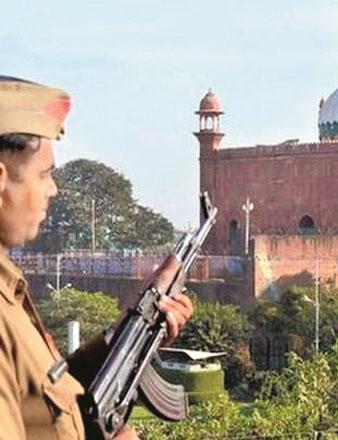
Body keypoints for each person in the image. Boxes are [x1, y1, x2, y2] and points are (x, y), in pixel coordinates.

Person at [0, 76, 194, 439]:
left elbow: (41, 400)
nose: (52, 189)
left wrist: (127, 332)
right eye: (43, 174)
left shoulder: (8, 290)